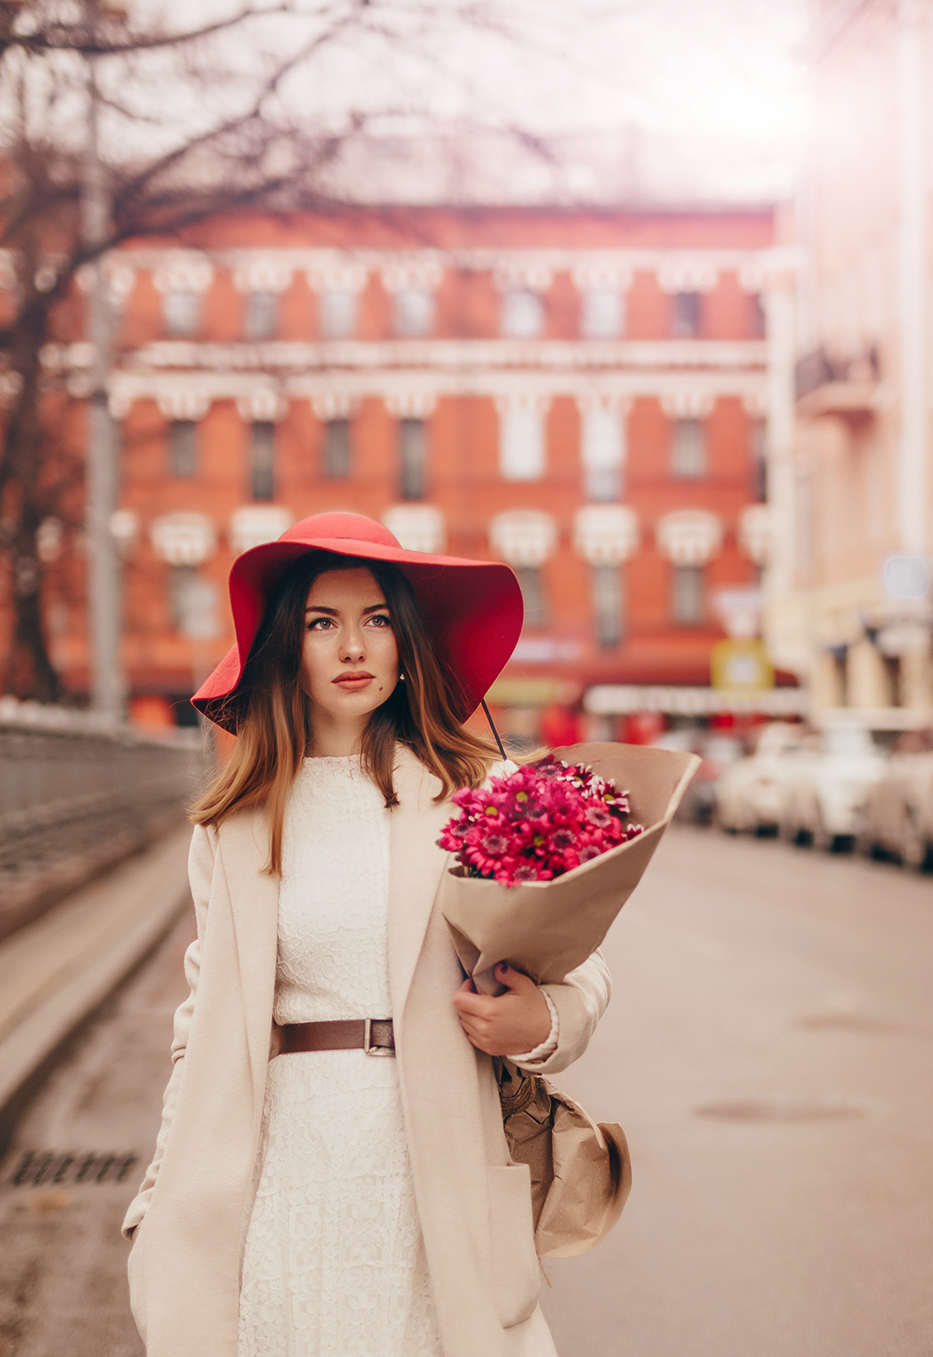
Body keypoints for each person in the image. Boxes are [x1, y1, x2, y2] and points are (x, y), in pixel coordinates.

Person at [123, 512, 612, 1357]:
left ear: (404, 640)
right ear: (288, 645)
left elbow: (583, 960)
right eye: (323, 622)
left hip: (432, 1157)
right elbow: (200, 1023)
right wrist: (161, 1187)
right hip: (280, 1167)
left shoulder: (476, 794)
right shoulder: (236, 822)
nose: (353, 646)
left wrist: (543, 1024)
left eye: (376, 620)